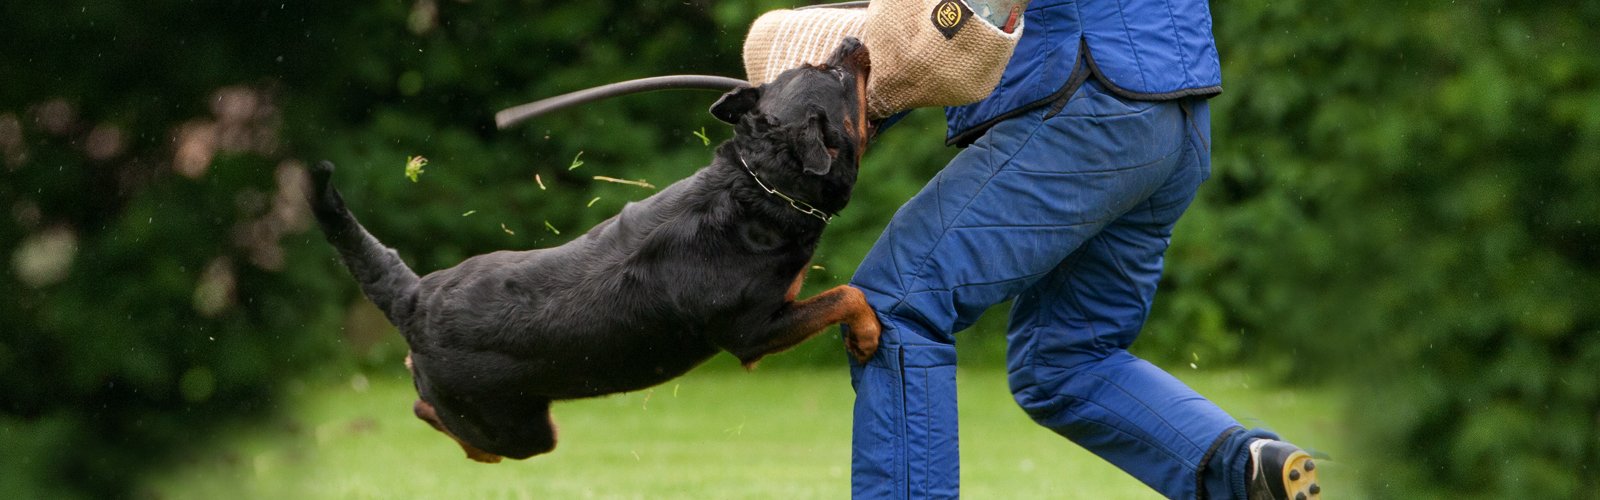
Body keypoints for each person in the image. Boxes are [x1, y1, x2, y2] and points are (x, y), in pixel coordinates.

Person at [844, 0, 1321, 498]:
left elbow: (959, 16)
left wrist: (852, 104)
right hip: (1175, 115)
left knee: (895, 303)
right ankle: (1246, 473)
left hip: (1088, 101)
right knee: (1063, 358)